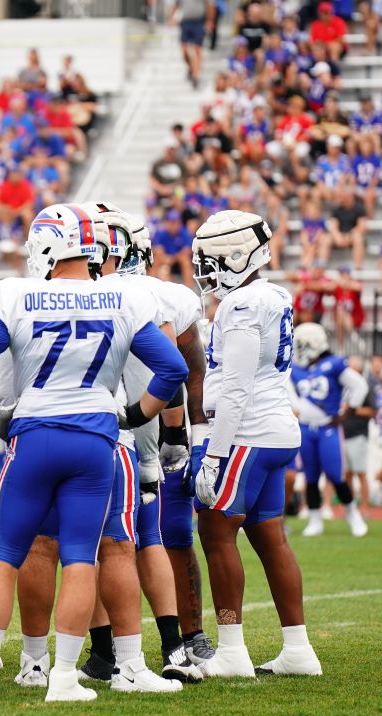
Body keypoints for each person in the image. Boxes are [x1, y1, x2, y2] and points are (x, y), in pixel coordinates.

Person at [0, 203, 187, 702]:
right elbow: (171, 370)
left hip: (34, 434)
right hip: (96, 440)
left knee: (3, 554)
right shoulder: (120, 299)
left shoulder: (18, 294)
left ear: (45, 247)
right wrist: (135, 415)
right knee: (82, 558)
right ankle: (62, 678)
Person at [188, 210, 320, 678]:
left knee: (216, 532)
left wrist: (215, 453)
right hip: (276, 429)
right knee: (269, 537)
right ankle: (298, 651)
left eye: (211, 258)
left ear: (238, 255)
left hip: (247, 434)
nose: (203, 269)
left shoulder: (240, 305)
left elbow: (238, 386)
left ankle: (231, 651)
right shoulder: (274, 294)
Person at [79, 202, 203, 688]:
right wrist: (175, 430)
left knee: (90, 546)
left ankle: (106, 652)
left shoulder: (79, 293)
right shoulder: (158, 293)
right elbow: (174, 364)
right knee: (149, 538)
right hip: (148, 428)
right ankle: (175, 646)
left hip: (103, 426)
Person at [117, 211, 217, 672]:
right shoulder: (87, 292)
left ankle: (190, 636)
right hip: (114, 435)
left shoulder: (167, 297)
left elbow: (192, 368)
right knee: (107, 545)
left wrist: (191, 435)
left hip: (157, 437)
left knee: (171, 535)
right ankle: (112, 651)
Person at [288, 323, 371, 538]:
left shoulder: (333, 364)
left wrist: (348, 411)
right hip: (305, 428)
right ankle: (315, 519)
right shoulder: (295, 369)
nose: (298, 349)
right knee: (311, 476)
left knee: (335, 474)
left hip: (327, 427)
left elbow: (360, 385)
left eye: (302, 344)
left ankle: (352, 514)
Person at [342, 356, 377, 513]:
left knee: (361, 473)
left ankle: (364, 507)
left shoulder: (366, 386)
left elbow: (372, 410)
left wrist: (353, 408)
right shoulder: (343, 386)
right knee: (347, 474)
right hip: (343, 433)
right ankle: (351, 508)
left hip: (358, 434)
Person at [172, 1, 215, 89]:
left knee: (197, 49)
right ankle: (191, 67)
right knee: (184, 51)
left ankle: (196, 76)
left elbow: (210, 5)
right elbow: (176, 5)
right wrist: (172, 18)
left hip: (198, 22)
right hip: (185, 22)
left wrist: (210, 21)